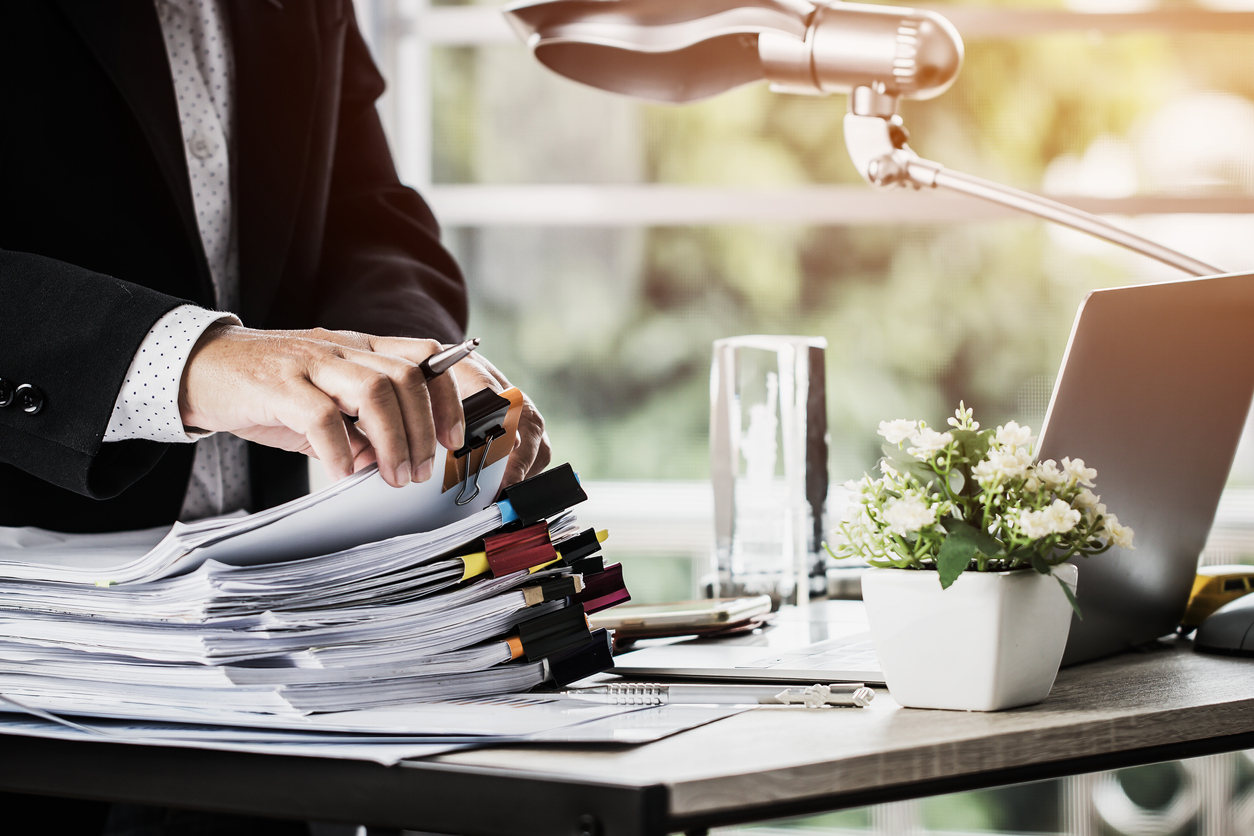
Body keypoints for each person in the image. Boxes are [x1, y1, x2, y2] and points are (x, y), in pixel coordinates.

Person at [0, 0, 548, 831]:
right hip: (33, 677)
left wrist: (403, 361)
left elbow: (366, 212)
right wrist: (187, 361)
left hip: (258, 662)